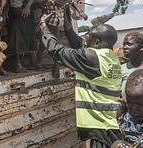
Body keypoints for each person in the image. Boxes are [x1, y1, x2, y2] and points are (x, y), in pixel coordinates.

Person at [40, 14, 122, 147]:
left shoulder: (92, 57)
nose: (85, 36)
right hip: (109, 122)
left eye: (88, 34)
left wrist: (43, 27)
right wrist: (68, 27)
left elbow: (57, 51)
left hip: (99, 124)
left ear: (96, 43)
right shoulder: (111, 58)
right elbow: (80, 44)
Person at [22, 0, 71, 78]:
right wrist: (28, 6)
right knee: (42, 48)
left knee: (57, 47)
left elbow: (72, 2)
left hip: (55, 28)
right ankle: (39, 63)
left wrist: (81, 12)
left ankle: (56, 66)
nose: (61, 2)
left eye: (64, 0)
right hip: (45, 28)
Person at [4, 0, 48, 73]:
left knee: (32, 35)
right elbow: (16, 11)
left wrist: (31, 7)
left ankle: (33, 62)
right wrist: (34, 7)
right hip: (16, 16)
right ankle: (17, 64)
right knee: (18, 37)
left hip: (27, 13)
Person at [120, 32, 143, 96]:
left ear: (141, 47)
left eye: (129, 44)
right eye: (124, 44)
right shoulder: (121, 69)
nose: (124, 47)